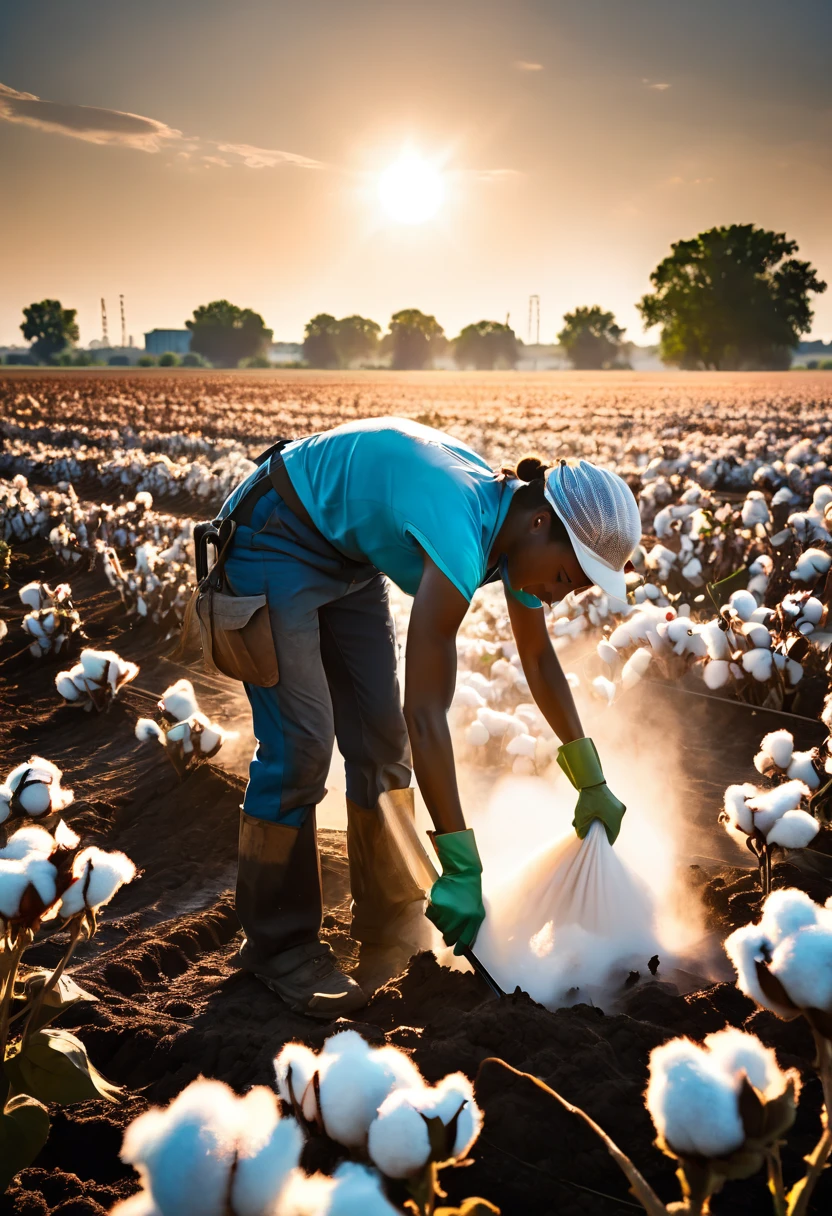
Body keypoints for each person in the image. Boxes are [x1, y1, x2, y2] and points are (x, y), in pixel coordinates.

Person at [216, 416, 640, 1017]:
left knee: (381, 744)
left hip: (345, 556)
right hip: (276, 532)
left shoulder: (514, 534)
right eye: (567, 577)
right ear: (542, 522)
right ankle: (277, 946)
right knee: (303, 746)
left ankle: (388, 924)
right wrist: (462, 863)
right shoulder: (463, 530)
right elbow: (427, 711)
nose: (561, 595)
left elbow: (540, 659)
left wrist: (589, 777)